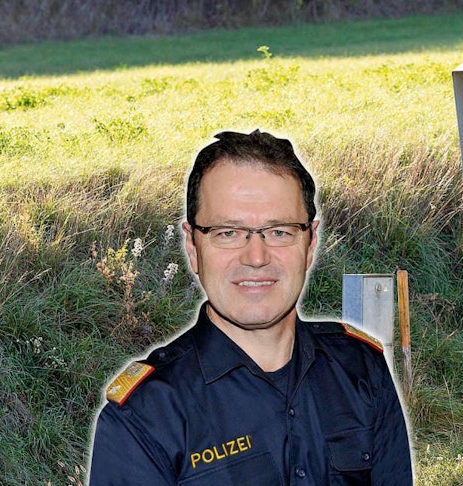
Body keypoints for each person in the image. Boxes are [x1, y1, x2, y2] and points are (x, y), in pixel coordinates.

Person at [88, 130, 413, 484]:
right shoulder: (145, 416)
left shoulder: (361, 369)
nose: (256, 257)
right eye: (228, 232)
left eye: (279, 232)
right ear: (193, 246)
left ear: (310, 242)